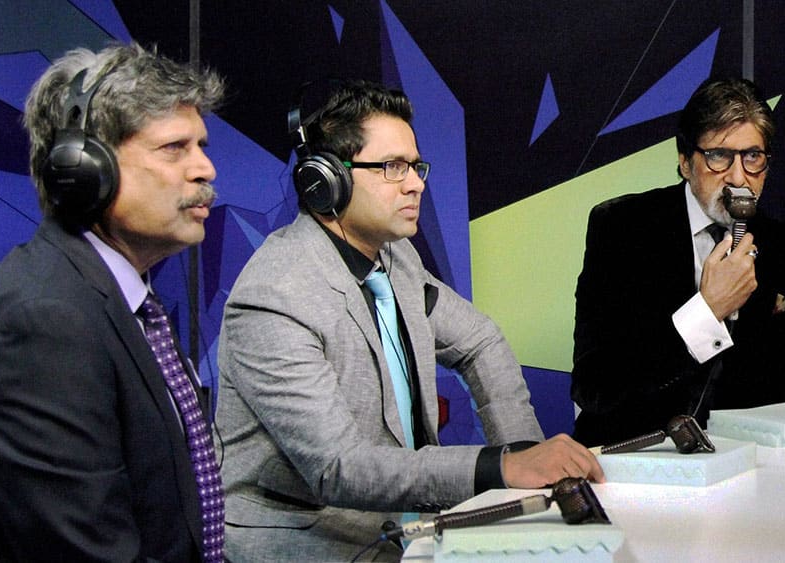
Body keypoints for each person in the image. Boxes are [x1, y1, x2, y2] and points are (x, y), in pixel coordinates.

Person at [215, 80, 604, 562]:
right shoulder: (276, 297)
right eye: (392, 167)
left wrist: (521, 451)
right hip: (312, 542)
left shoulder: (396, 259)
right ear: (325, 180)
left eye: (415, 166)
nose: (417, 183)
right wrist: (501, 468)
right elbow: (337, 468)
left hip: (406, 533)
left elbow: (478, 340)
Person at [0, 43, 226, 561]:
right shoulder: (44, 322)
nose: (206, 169)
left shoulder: (125, 298)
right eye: (174, 148)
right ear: (81, 168)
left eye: (201, 145)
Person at [571, 77, 785, 446]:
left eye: (752, 156)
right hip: (638, 460)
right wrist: (706, 313)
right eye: (719, 156)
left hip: (753, 470)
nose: (738, 177)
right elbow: (595, 388)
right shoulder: (623, 227)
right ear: (684, 162)